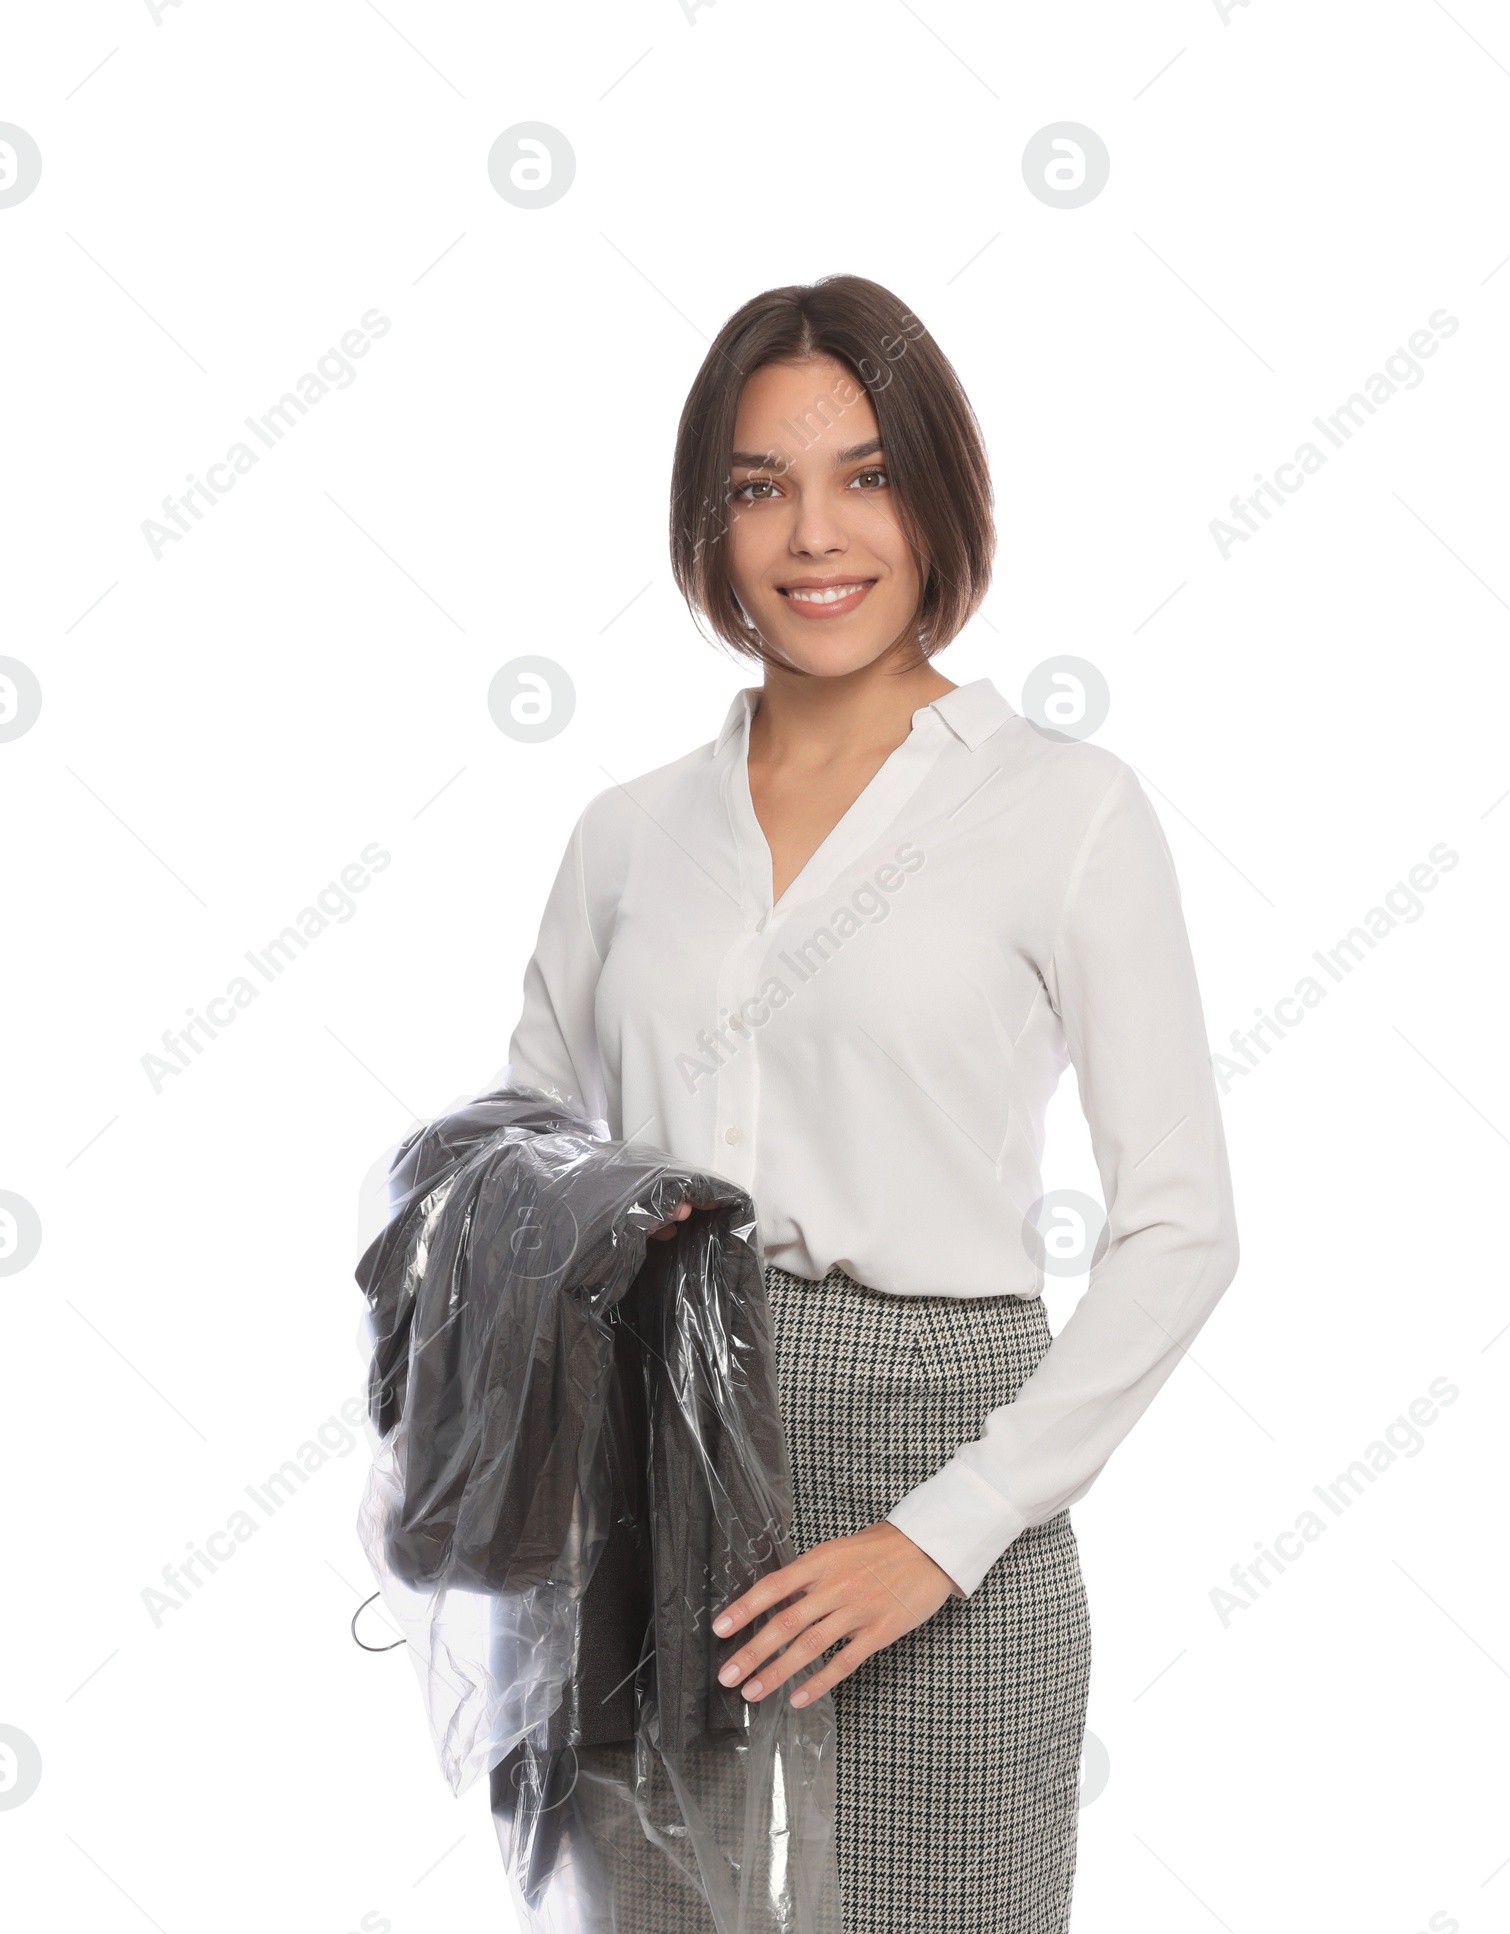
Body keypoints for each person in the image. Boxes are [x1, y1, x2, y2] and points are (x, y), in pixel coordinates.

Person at [508, 273, 1240, 1934]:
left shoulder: (1063, 812)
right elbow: (526, 1169)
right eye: (761, 485)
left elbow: (1183, 1225)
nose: (812, 534)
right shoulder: (626, 838)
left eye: (865, 474)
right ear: (710, 520)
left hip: (946, 1446)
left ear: (939, 497)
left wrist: (945, 1530)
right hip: (658, 1456)